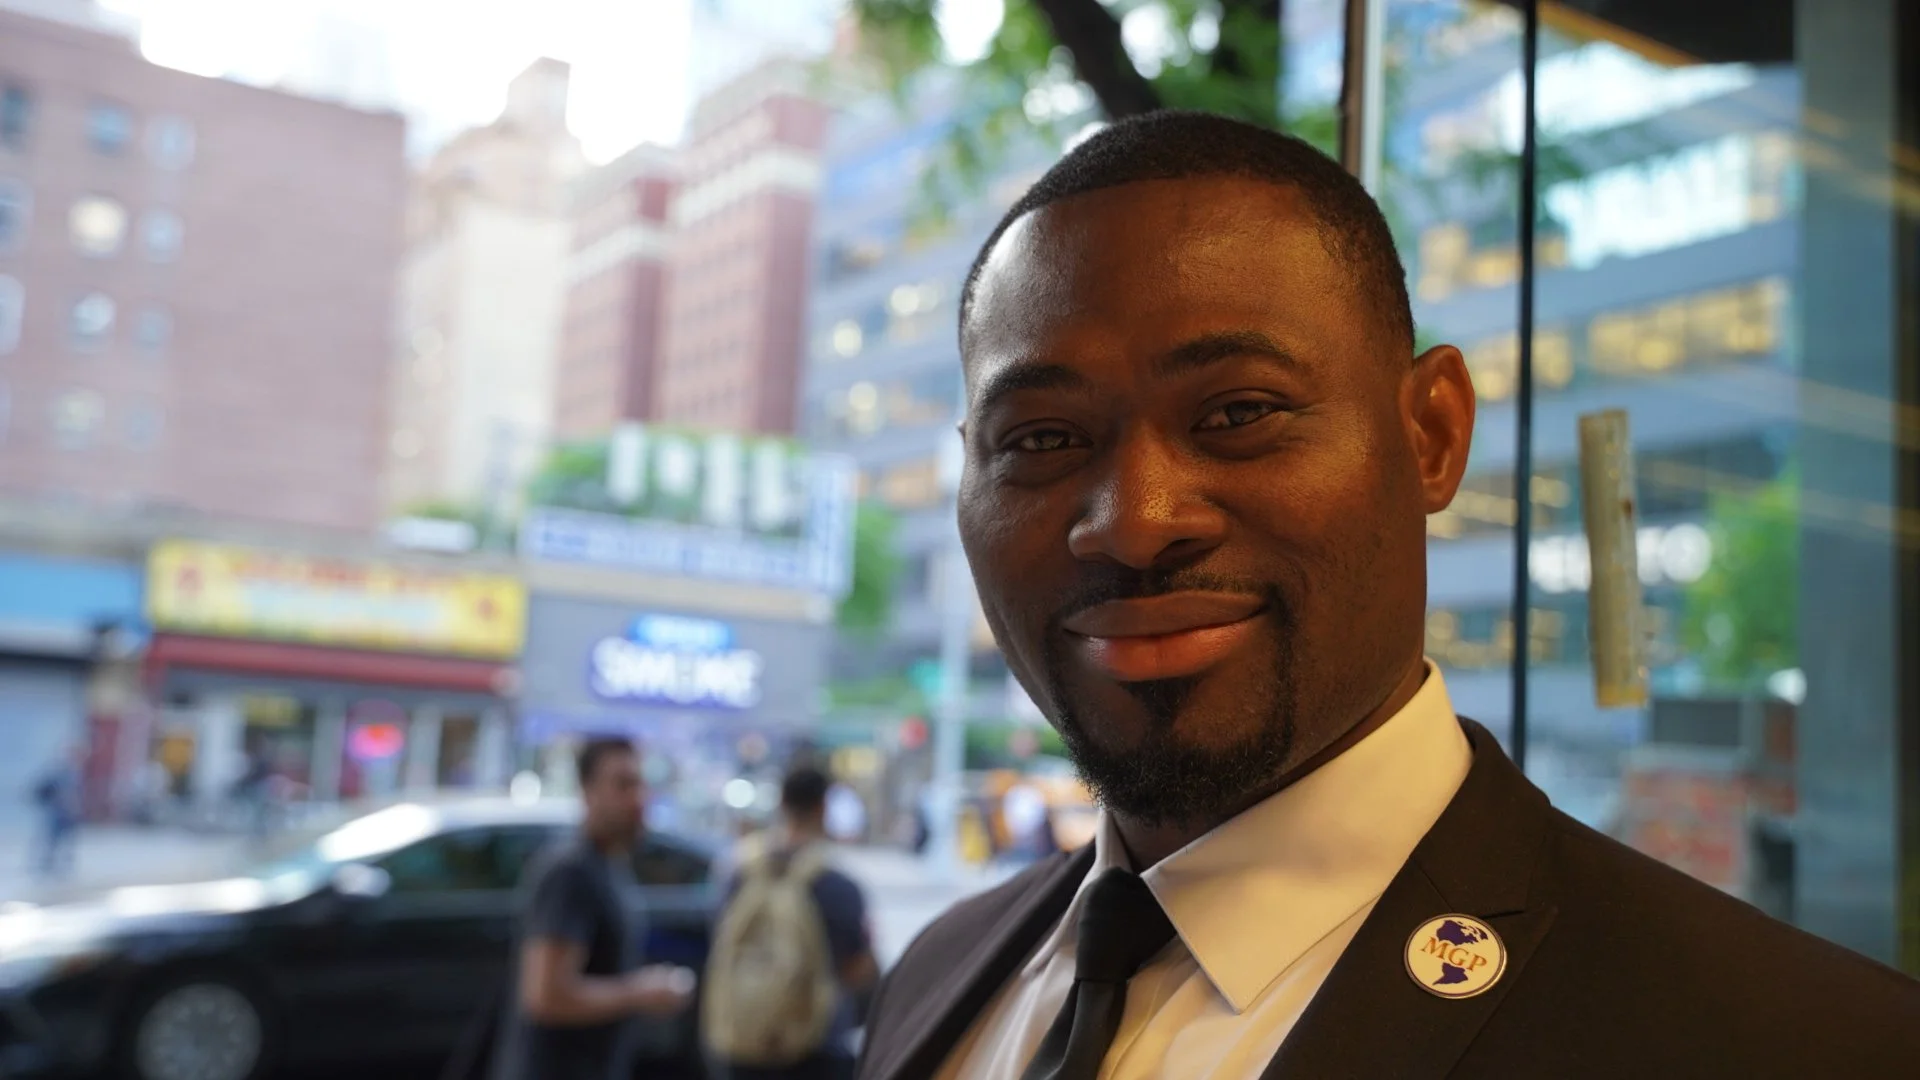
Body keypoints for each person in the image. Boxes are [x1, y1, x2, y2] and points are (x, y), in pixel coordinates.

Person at [854, 111, 1920, 1080]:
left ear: (1432, 435)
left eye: (1238, 414)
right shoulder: (940, 979)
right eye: (1042, 439)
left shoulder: (1804, 1044)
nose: (1134, 521)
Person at [490, 737, 693, 1080]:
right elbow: (547, 996)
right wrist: (641, 992)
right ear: (587, 791)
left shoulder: (608, 865)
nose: (637, 799)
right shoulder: (571, 871)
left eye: (640, 784)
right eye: (623, 784)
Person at [705, 765, 878, 1080]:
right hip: (816, 1045)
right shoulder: (836, 885)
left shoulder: (739, 872)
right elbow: (859, 968)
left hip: (743, 1042)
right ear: (823, 808)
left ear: (782, 803)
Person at [30, 746, 84, 876]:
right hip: (57, 813)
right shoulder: (60, 773)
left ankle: (61, 866)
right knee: (52, 840)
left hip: (68, 815)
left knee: (65, 841)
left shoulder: (76, 774)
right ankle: (46, 865)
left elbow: (77, 794)